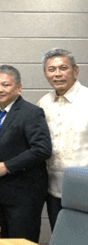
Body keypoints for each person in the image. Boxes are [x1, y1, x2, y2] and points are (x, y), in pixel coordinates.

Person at [0, 65, 51, 242]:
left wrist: (7, 166)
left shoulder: (31, 113)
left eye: (5, 85)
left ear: (19, 88)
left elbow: (42, 149)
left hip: (24, 196)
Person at [37, 49, 88, 231]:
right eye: (51, 69)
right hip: (53, 191)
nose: (57, 74)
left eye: (63, 68)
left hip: (84, 189)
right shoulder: (44, 103)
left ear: (76, 70)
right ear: (45, 73)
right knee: (60, 244)